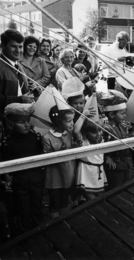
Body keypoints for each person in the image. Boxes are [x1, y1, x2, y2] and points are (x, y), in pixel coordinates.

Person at [1, 103, 44, 234]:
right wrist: (8, 179)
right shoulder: (6, 142)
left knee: (37, 207)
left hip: (36, 178)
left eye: (27, 122)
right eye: (21, 122)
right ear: (11, 123)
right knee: (23, 210)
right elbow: (5, 164)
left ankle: (41, 235)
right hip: (19, 181)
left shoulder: (35, 137)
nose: (26, 125)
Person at [42, 106, 76, 219]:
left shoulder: (69, 134)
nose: (72, 123)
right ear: (58, 121)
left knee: (65, 200)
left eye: (73, 120)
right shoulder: (47, 138)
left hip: (68, 174)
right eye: (69, 121)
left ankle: (65, 222)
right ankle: (56, 227)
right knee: (55, 203)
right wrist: (58, 153)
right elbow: (47, 159)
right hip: (54, 178)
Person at [98, 90, 131, 190]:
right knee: (116, 189)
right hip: (114, 166)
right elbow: (103, 144)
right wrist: (106, 157)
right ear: (112, 115)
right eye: (122, 114)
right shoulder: (106, 128)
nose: (124, 116)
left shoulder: (122, 125)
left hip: (126, 164)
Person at [73, 112, 107, 201]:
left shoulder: (101, 139)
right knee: (92, 201)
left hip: (98, 173)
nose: (98, 134)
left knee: (100, 199)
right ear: (86, 131)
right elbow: (76, 130)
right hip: (86, 173)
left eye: (100, 130)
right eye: (93, 132)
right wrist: (83, 116)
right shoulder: (83, 141)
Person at [0, 29, 32, 120]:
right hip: (5, 121)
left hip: (21, 119)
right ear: (2, 46)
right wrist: (19, 99)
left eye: (20, 46)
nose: (18, 50)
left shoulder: (18, 66)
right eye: (13, 46)